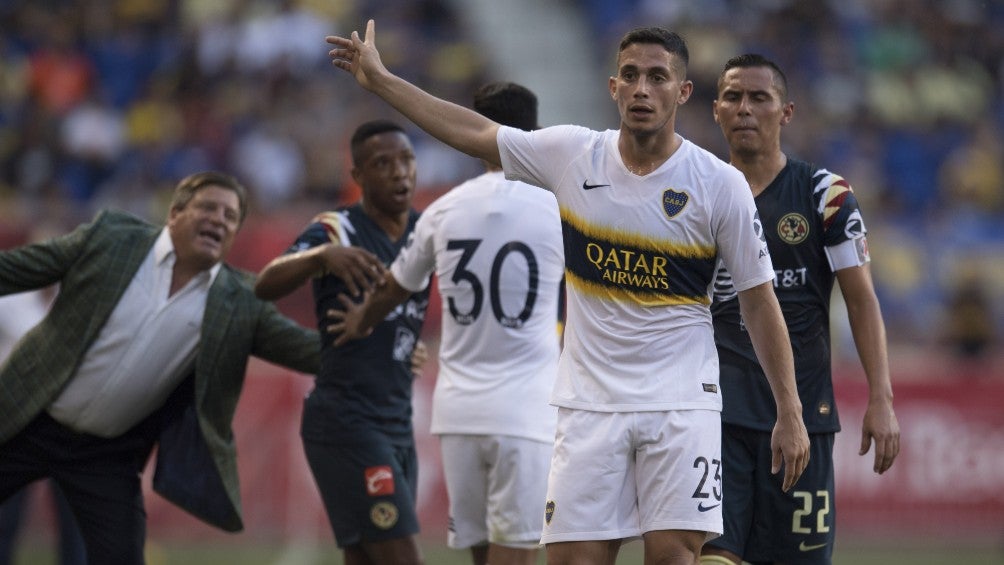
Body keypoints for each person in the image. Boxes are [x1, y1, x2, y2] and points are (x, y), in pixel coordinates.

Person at [326, 21, 810, 565]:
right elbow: (474, 132)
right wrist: (384, 81)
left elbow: (758, 301)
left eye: (657, 77)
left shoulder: (719, 184)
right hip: (588, 406)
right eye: (630, 76)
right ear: (613, 87)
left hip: (680, 404)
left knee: (674, 557)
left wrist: (789, 411)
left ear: (683, 91)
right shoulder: (572, 154)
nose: (642, 89)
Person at [0, 171, 387, 564]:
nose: (219, 219)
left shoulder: (239, 301)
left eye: (230, 216)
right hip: (30, 419)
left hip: (103, 455)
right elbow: (18, 268)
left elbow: (309, 351)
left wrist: (383, 349)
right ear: (175, 213)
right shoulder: (112, 238)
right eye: (208, 207)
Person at [329, 82, 565, 565]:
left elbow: (395, 287)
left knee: (479, 553)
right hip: (525, 413)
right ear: (533, 135)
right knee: (515, 553)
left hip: (458, 414)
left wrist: (360, 319)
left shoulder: (442, 210)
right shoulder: (560, 208)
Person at [702, 53, 901, 565]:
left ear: (785, 112)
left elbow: (862, 300)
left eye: (759, 98)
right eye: (733, 97)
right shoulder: (694, 193)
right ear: (716, 109)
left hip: (803, 419)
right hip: (713, 417)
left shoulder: (826, 196)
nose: (745, 108)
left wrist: (881, 397)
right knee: (709, 556)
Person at [254, 120, 431, 565]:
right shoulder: (336, 229)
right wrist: (319, 256)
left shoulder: (428, 230)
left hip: (397, 421)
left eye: (406, 160)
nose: (399, 172)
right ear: (358, 178)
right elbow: (266, 284)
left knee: (365, 558)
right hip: (347, 422)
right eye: (382, 163)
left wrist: (405, 344)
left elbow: (404, 315)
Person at [0, 289, 85, 565]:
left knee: (75, 523)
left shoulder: (82, 302)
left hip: (65, 425)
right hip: (13, 424)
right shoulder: (8, 302)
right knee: (5, 518)